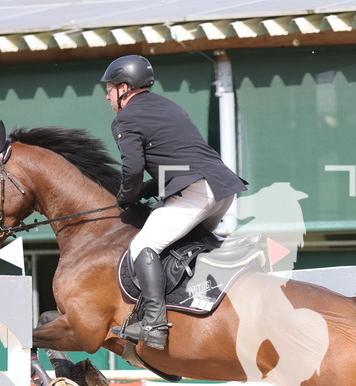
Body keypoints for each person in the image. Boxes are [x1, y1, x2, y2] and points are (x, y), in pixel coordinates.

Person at [102, 54, 248, 351]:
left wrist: (125, 198)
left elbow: (130, 169)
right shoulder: (169, 106)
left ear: (125, 87)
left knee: (144, 247)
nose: (107, 95)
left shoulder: (125, 119)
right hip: (221, 189)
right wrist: (148, 188)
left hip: (194, 191)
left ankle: (154, 324)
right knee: (180, 246)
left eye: (110, 88)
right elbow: (177, 157)